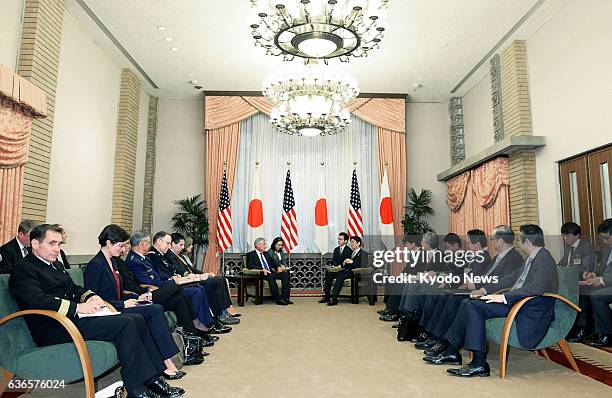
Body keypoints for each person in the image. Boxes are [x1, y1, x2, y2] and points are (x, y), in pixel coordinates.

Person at [9, 224, 184, 398]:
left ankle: (151, 378)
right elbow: (38, 300)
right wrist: (77, 307)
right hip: (54, 326)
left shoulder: (54, 265)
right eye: (52, 243)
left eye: (59, 244)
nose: (57, 249)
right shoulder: (24, 268)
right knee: (126, 322)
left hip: (72, 319)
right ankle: (136, 388)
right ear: (35, 244)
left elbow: (74, 288)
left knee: (137, 318)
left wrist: (91, 296)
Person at [427, 224, 558, 378]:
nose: (519, 245)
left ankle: (478, 363)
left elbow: (534, 289)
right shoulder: (532, 258)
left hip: (528, 309)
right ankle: (452, 352)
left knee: (473, 306)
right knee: (467, 303)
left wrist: (502, 297)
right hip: (517, 303)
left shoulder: (544, 259)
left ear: (527, 242)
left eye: (520, 241)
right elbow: (509, 279)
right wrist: (484, 291)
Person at [84, 224, 186, 379]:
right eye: (121, 245)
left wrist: (137, 298)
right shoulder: (95, 266)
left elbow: (120, 291)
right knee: (153, 310)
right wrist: (124, 303)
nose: (124, 249)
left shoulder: (114, 262)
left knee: (155, 307)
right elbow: (95, 300)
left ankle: (167, 359)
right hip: (109, 310)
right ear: (108, 243)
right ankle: (166, 362)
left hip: (119, 304)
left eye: (125, 245)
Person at [125, 231, 217, 350]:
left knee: (180, 297)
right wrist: (172, 281)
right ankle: (197, 329)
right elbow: (148, 282)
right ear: (142, 244)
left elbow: (158, 275)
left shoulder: (143, 259)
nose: (150, 245)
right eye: (148, 243)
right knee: (180, 288)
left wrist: (171, 280)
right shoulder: (134, 260)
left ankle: (193, 334)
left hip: (160, 287)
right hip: (152, 292)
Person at [147, 231, 231, 334]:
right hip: (167, 286)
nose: (169, 246)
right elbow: (161, 275)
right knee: (198, 290)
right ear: (159, 242)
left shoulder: (164, 255)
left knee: (202, 287)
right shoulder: (153, 255)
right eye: (168, 243)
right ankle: (205, 324)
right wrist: (179, 276)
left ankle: (212, 320)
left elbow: (178, 270)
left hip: (175, 282)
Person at [166, 232, 240, 324]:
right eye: (181, 245)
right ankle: (220, 314)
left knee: (220, 279)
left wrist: (206, 273)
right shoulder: (169, 255)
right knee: (216, 282)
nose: (182, 247)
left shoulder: (180, 256)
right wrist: (196, 276)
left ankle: (224, 312)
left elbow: (192, 268)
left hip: (195, 277)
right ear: (173, 244)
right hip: (189, 280)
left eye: (183, 245)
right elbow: (179, 270)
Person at [575, 218, 612, 347]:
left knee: (597, 296)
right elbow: (603, 269)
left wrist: (601, 280)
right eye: (602, 238)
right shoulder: (608, 248)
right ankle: (591, 330)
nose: (604, 241)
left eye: (606, 238)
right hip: (608, 283)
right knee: (585, 291)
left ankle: (608, 334)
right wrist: (594, 274)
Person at [322, 235, 369, 306]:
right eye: (351, 242)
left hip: (354, 273)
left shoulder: (364, 253)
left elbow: (363, 265)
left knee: (341, 274)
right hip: (346, 270)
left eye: (353, 242)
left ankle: (334, 298)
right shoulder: (352, 252)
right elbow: (346, 264)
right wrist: (344, 263)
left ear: (358, 243)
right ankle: (327, 296)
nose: (351, 244)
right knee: (330, 273)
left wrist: (352, 262)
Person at [246, 237, 292, 305]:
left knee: (285, 275)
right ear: (257, 245)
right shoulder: (251, 254)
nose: (266, 246)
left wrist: (278, 266)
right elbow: (250, 265)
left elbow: (273, 262)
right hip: (261, 274)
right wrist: (261, 269)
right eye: (264, 244)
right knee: (271, 276)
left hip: (270, 273)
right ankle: (278, 299)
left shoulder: (266, 254)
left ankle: (286, 298)